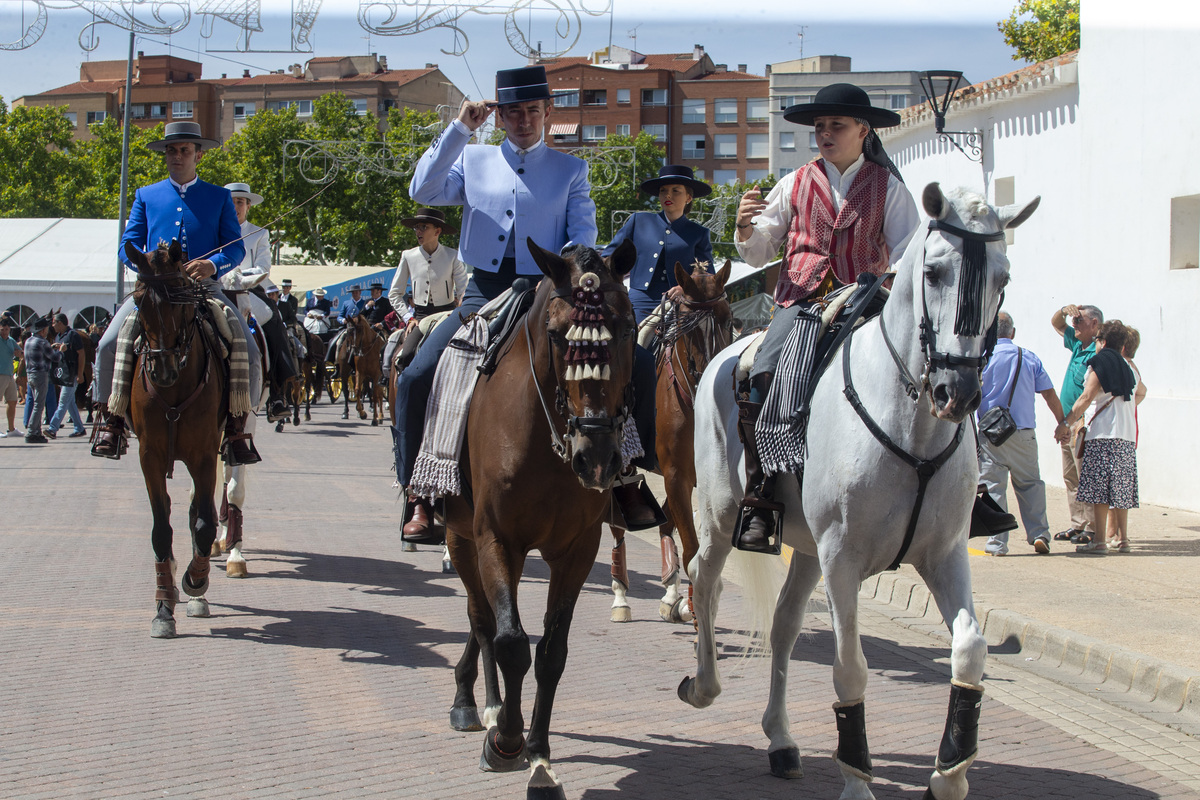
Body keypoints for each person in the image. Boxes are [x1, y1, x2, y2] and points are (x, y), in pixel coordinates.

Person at [398, 64, 658, 543]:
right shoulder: (472, 160)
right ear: (498, 115)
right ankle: (422, 493)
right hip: (483, 293)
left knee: (636, 360)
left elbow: (583, 236)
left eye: (531, 111)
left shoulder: (571, 169)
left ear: (547, 113)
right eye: (512, 111)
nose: (522, 120)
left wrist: (569, 275)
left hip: (551, 289)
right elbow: (423, 190)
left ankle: (626, 476)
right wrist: (459, 129)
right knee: (417, 373)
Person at [732, 83, 920, 550]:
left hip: (866, 301)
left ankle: (955, 486)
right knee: (763, 369)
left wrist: (889, 285)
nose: (825, 134)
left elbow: (909, 250)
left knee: (922, 366)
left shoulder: (889, 187)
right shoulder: (793, 182)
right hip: (801, 301)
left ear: (863, 130)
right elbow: (758, 253)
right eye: (820, 127)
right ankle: (763, 497)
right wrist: (742, 226)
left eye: (837, 125)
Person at [93, 120, 261, 465]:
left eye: (184, 150)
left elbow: (234, 249)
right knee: (109, 343)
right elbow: (128, 245)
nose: (177, 156)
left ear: (198, 155)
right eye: (171, 150)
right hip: (156, 291)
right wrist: (148, 267)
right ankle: (111, 422)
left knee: (249, 347)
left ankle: (236, 427)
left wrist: (212, 265)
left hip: (203, 290)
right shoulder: (146, 195)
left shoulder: (218, 197)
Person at [976, 312, 1066, 556]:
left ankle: (997, 543)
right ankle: (1038, 534)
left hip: (990, 433)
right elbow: (1049, 394)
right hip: (1023, 431)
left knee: (993, 487)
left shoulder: (982, 359)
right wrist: (1062, 423)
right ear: (1012, 333)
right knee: (1030, 485)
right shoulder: (1028, 357)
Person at [1055, 321, 1145, 554]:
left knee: (1099, 492)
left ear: (1102, 342)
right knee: (1121, 490)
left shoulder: (1098, 363)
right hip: (1125, 436)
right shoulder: (1130, 367)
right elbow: (1141, 392)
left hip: (1103, 435)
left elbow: (1086, 396)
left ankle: (1100, 542)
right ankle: (1123, 539)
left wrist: (1066, 423)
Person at [602, 164, 715, 323]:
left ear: (688, 197)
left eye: (675, 191)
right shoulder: (639, 221)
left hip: (681, 303)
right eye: (663, 191)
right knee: (630, 340)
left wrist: (685, 288)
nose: (668, 195)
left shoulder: (698, 232)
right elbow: (608, 256)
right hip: (639, 301)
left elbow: (708, 273)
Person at [225, 181, 298, 421]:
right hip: (218, 288)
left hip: (247, 290)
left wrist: (239, 276)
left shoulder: (259, 233)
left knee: (273, 319)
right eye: (232, 201)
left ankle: (278, 392)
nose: (236, 206)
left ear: (248, 206)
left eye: (240, 202)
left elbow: (263, 267)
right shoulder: (213, 230)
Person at [383, 207, 467, 378]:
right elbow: (394, 293)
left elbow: (464, 290)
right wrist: (409, 318)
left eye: (423, 227)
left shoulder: (453, 256)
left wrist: (459, 312)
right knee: (405, 357)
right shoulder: (408, 256)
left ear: (437, 231)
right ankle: (402, 397)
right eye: (416, 228)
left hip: (448, 317)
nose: (418, 231)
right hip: (420, 318)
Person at [1049, 303, 1103, 543]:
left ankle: (1091, 527)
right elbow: (1056, 323)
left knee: (1085, 475)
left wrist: (1076, 420)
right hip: (1067, 422)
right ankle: (1078, 524)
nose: (1074, 324)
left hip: (1081, 421)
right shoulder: (1078, 344)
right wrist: (1064, 310)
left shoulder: (1098, 350)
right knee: (1071, 475)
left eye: (1079, 320)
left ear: (1095, 324)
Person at [1107, 326, 1144, 551]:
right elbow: (1142, 391)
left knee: (1113, 486)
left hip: (1117, 432)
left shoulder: (1121, 367)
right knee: (1119, 485)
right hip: (1129, 431)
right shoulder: (1133, 368)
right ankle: (1115, 533)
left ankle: (1115, 533)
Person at [46, 313, 88, 438]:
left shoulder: (73, 335)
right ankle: (79, 428)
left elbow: (81, 354)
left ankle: (53, 428)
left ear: (60, 323)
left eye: (54, 323)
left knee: (63, 402)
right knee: (70, 403)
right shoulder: (59, 336)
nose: (52, 326)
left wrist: (80, 374)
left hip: (72, 374)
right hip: (63, 374)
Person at [22, 316, 60, 444]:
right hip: (40, 374)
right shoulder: (43, 342)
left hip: (30, 374)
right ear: (43, 330)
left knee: (36, 403)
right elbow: (54, 358)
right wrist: (61, 350)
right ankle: (32, 432)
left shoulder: (28, 341)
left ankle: (36, 431)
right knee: (39, 405)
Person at [0, 317, 20, 437]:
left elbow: (20, 352)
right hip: (0, 374)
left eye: (6, 329)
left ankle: (11, 429)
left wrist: (19, 354)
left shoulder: (11, 340)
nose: (4, 332)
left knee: (12, 401)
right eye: (2, 329)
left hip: (9, 374)